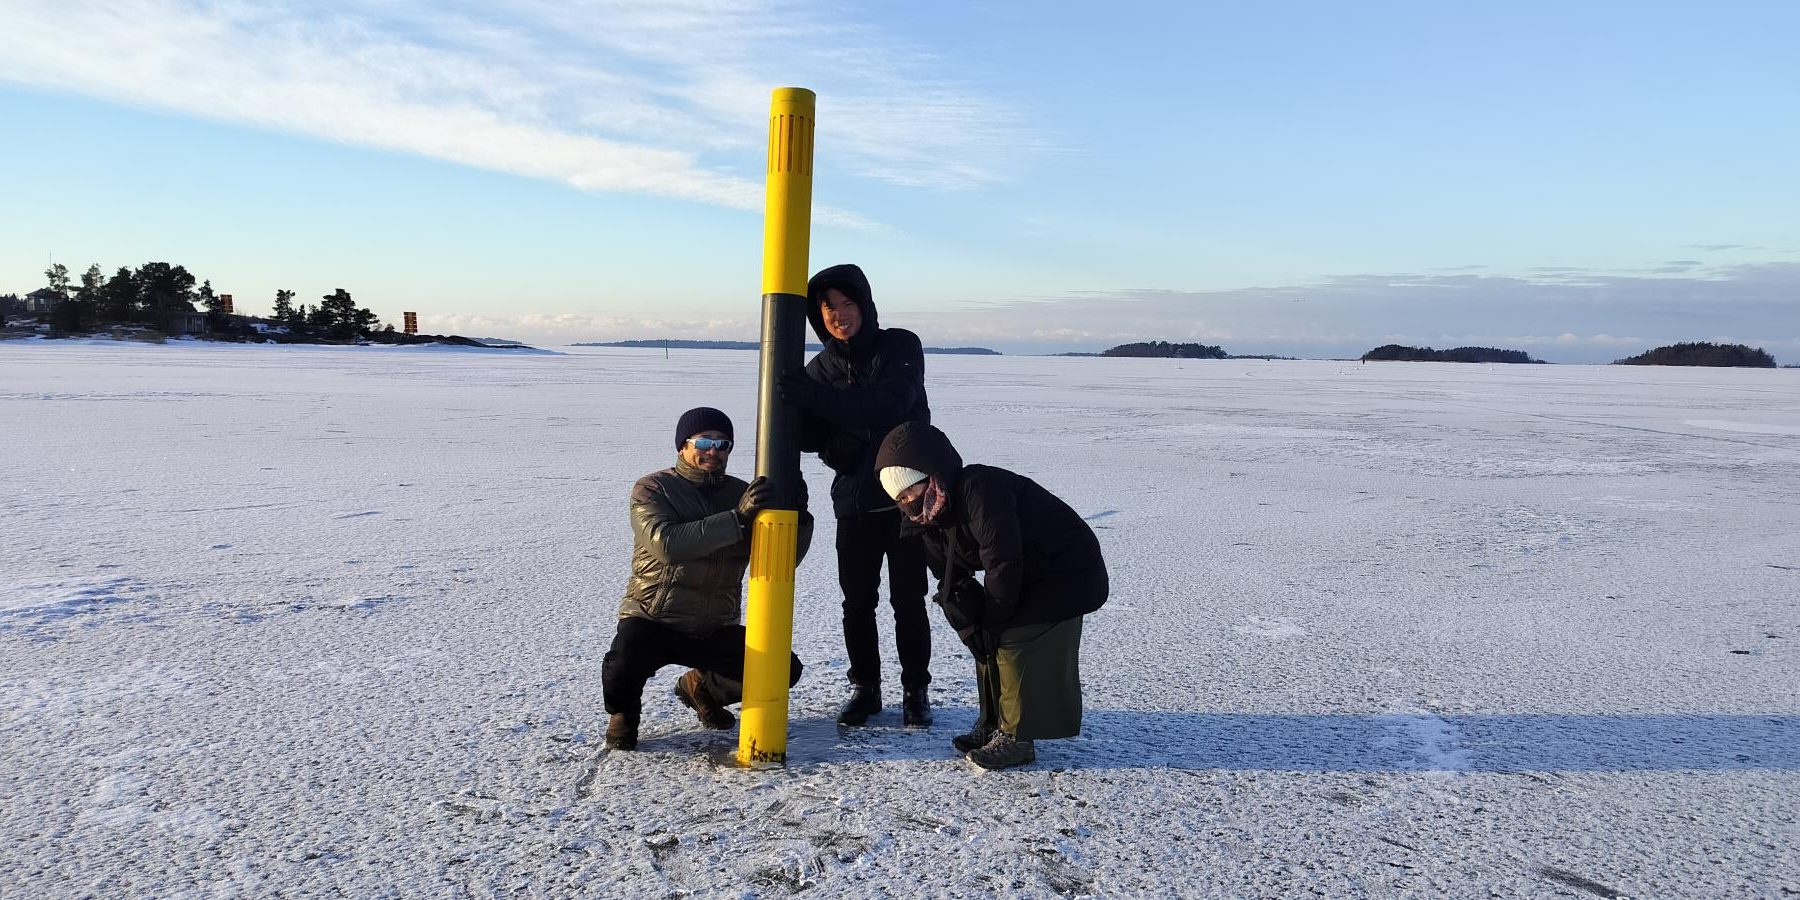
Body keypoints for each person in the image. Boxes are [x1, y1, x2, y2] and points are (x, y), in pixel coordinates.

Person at [873, 421, 1107, 770]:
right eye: (900, 498)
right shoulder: (928, 514)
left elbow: (1003, 560)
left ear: (933, 474)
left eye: (911, 490)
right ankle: (992, 724)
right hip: (1027, 572)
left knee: (1011, 637)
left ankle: (1017, 738)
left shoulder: (980, 489)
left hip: (1068, 569)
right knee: (985, 640)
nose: (908, 502)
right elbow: (948, 576)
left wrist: (994, 621)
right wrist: (970, 624)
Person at [776, 263, 934, 728]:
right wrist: (813, 422)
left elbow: (890, 406)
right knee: (857, 601)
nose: (839, 315)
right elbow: (810, 435)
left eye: (848, 304)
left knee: (909, 599)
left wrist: (819, 404)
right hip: (855, 501)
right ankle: (865, 688)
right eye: (828, 308)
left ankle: (915, 690)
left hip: (910, 500)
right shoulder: (819, 369)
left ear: (865, 305)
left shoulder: (900, 346)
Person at [600, 407, 813, 751]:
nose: (713, 450)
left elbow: (781, 561)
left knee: (782, 670)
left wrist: (797, 518)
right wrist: (738, 518)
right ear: (683, 446)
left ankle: (701, 687)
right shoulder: (653, 488)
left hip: (715, 623)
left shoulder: (744, 493)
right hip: (655, 617)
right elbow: (666, 545)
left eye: (723, 443)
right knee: (621, 665)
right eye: (704, 442)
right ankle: (624, 715)